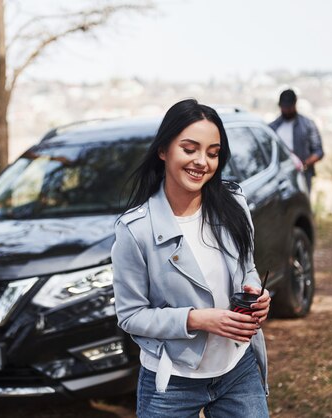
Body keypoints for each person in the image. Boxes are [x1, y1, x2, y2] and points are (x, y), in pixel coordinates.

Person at [111, 99, 270, 418]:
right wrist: (196, 319)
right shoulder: (136, 229)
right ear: (163, 150)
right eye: (189, 149)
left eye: (213, 153)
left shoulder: (234, 204)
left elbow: (248, 269)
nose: (202, 162)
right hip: (171, 381)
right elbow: (131, 316)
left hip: (238, 368)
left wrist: (256, 293)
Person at [269, 89, 324, 192]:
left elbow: (318, 151)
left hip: (302, 176)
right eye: (284, 107)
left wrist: (304, 165)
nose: (286, 110)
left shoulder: (308, 125)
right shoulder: (273, 127)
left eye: (289, 107)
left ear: (295, 104)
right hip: (279, 178)